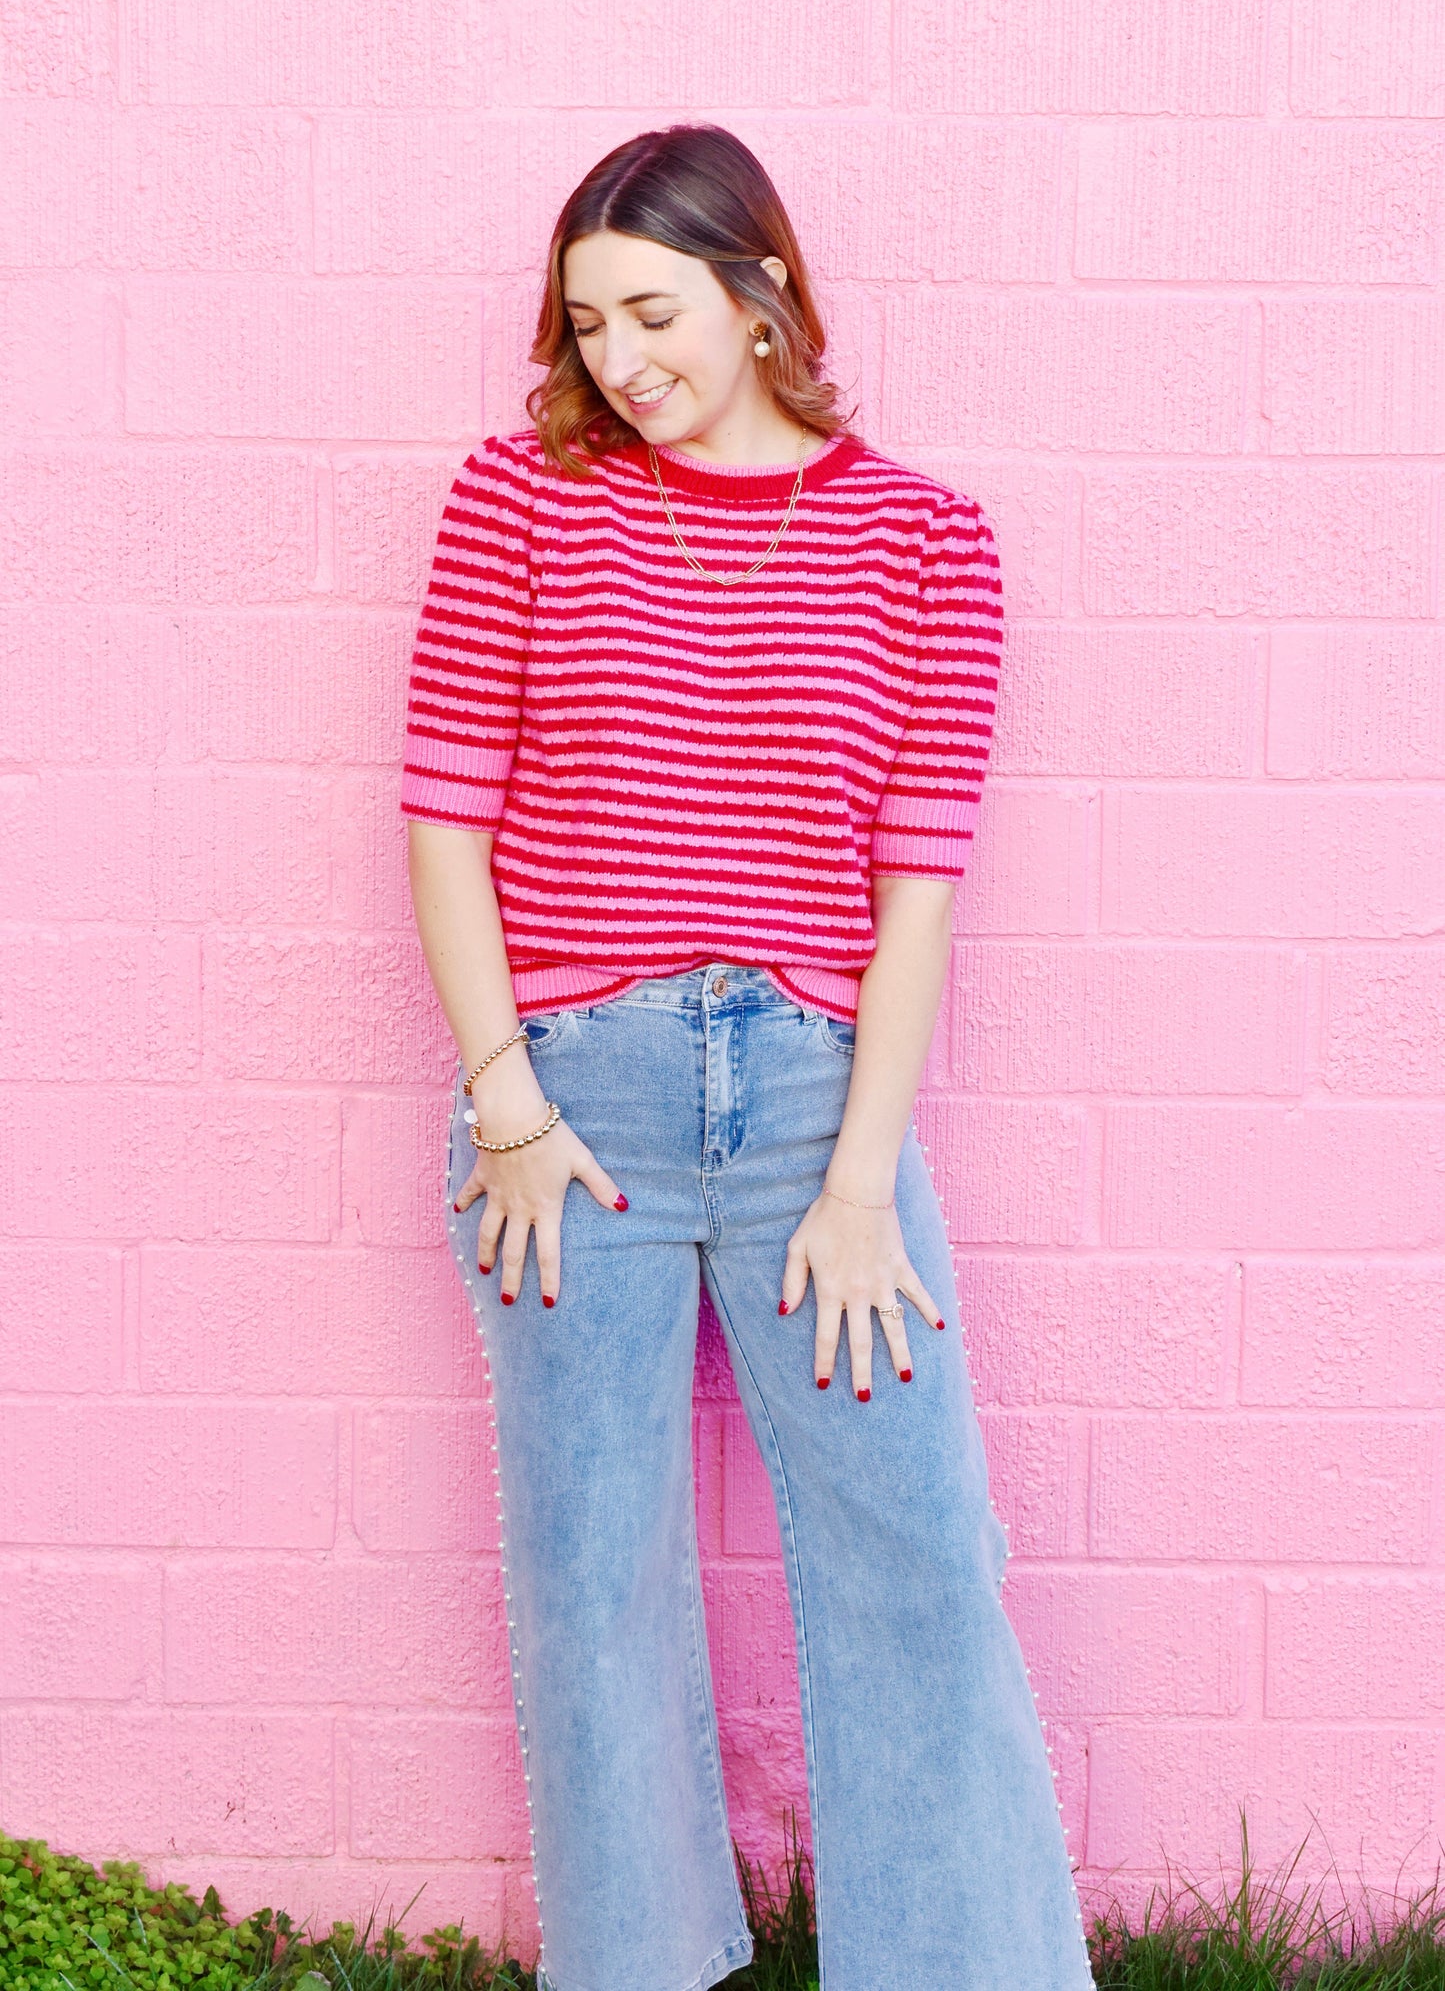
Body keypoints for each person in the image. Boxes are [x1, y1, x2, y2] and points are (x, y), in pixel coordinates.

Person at [402, 124, 1092, 1991]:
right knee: (590, 1580)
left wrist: (860, 1183)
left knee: (918, 1564)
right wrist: (506, 1098)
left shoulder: (926, 539)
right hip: (574, 1107)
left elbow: (913, 892)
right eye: (585, 322)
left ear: (759, 289)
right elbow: (447, 823)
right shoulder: (516, 499)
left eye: (653, 311)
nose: (619, 360)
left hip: (808, 1098)